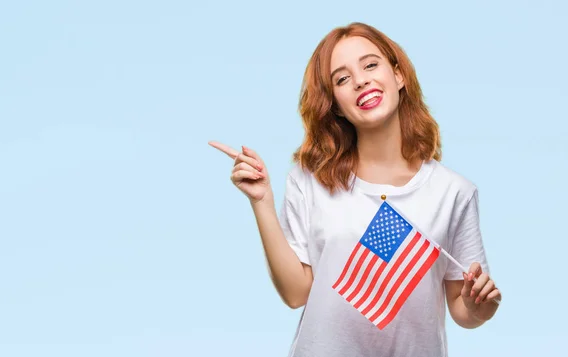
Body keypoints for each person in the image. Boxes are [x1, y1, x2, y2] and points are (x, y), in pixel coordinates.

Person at [209, 22, 501, 357]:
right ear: (334, 103)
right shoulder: (309, 180)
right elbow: (295, 293)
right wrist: (262, 201)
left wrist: (480, 307)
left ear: (399, 76)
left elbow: (462, 310)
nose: (360, 80)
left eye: (371, 64)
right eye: (342, 78)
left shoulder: (454, 192)